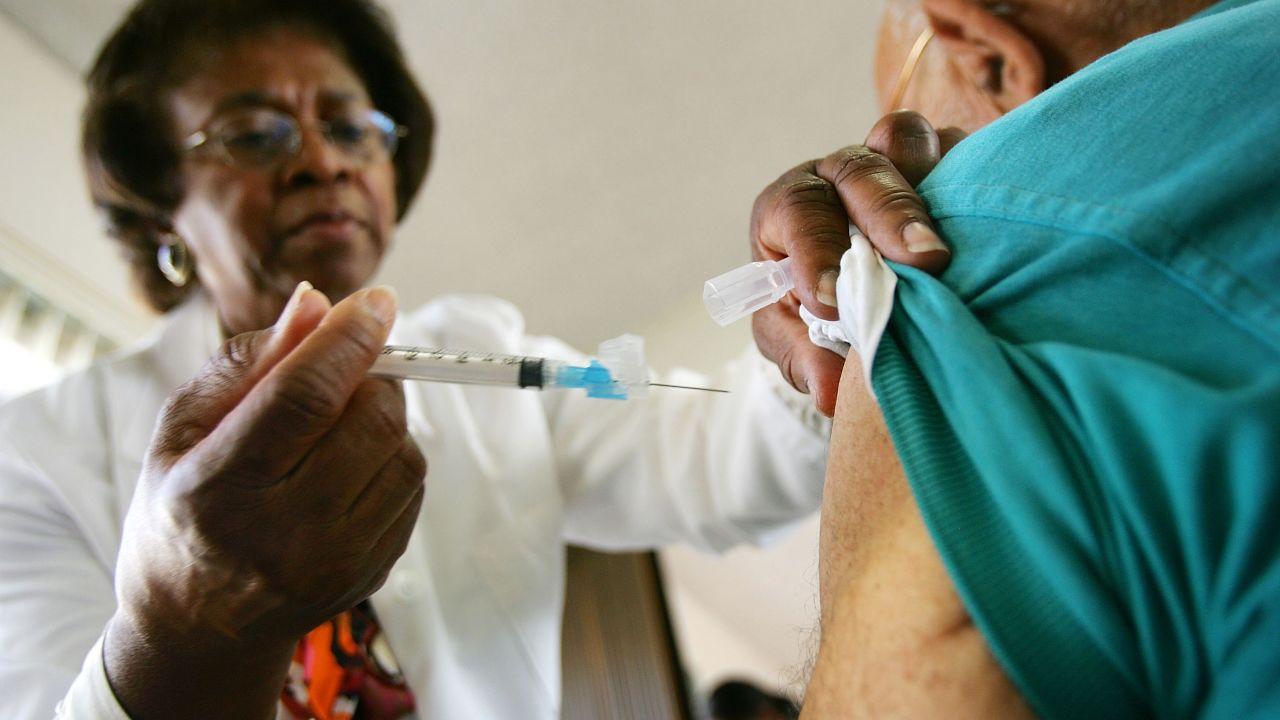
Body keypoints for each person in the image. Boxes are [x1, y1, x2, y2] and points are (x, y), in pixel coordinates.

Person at [0, 1, 944, 718]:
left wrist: (823, 310)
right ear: (161, 202)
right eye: (255, 133)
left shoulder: (483, 355)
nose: (324, 160)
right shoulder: (30, 456)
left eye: (353, 128)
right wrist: (186, 627)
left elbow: (725, 459)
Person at [749, 0, 1280, 717]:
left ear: (988, 54)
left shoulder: (960, 256)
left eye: (903, 109)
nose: (909, 164)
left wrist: (874, 295)